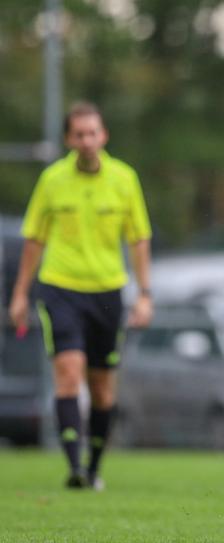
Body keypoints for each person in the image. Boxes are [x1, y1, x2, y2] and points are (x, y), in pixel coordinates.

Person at [8, 102, 153, 491]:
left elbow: (139, 238)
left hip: (107, 291)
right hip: (60, 288)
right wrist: (20, 293)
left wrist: (144, 294)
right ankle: (74, 466)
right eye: (79, 135)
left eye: (92, 133)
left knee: (102, 387)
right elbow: (34, 238)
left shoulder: (124, 178)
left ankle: (93, 467)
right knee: (69, 373)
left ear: (103, 136)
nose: (87, 141)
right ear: (68, 139)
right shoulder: (52, 179)